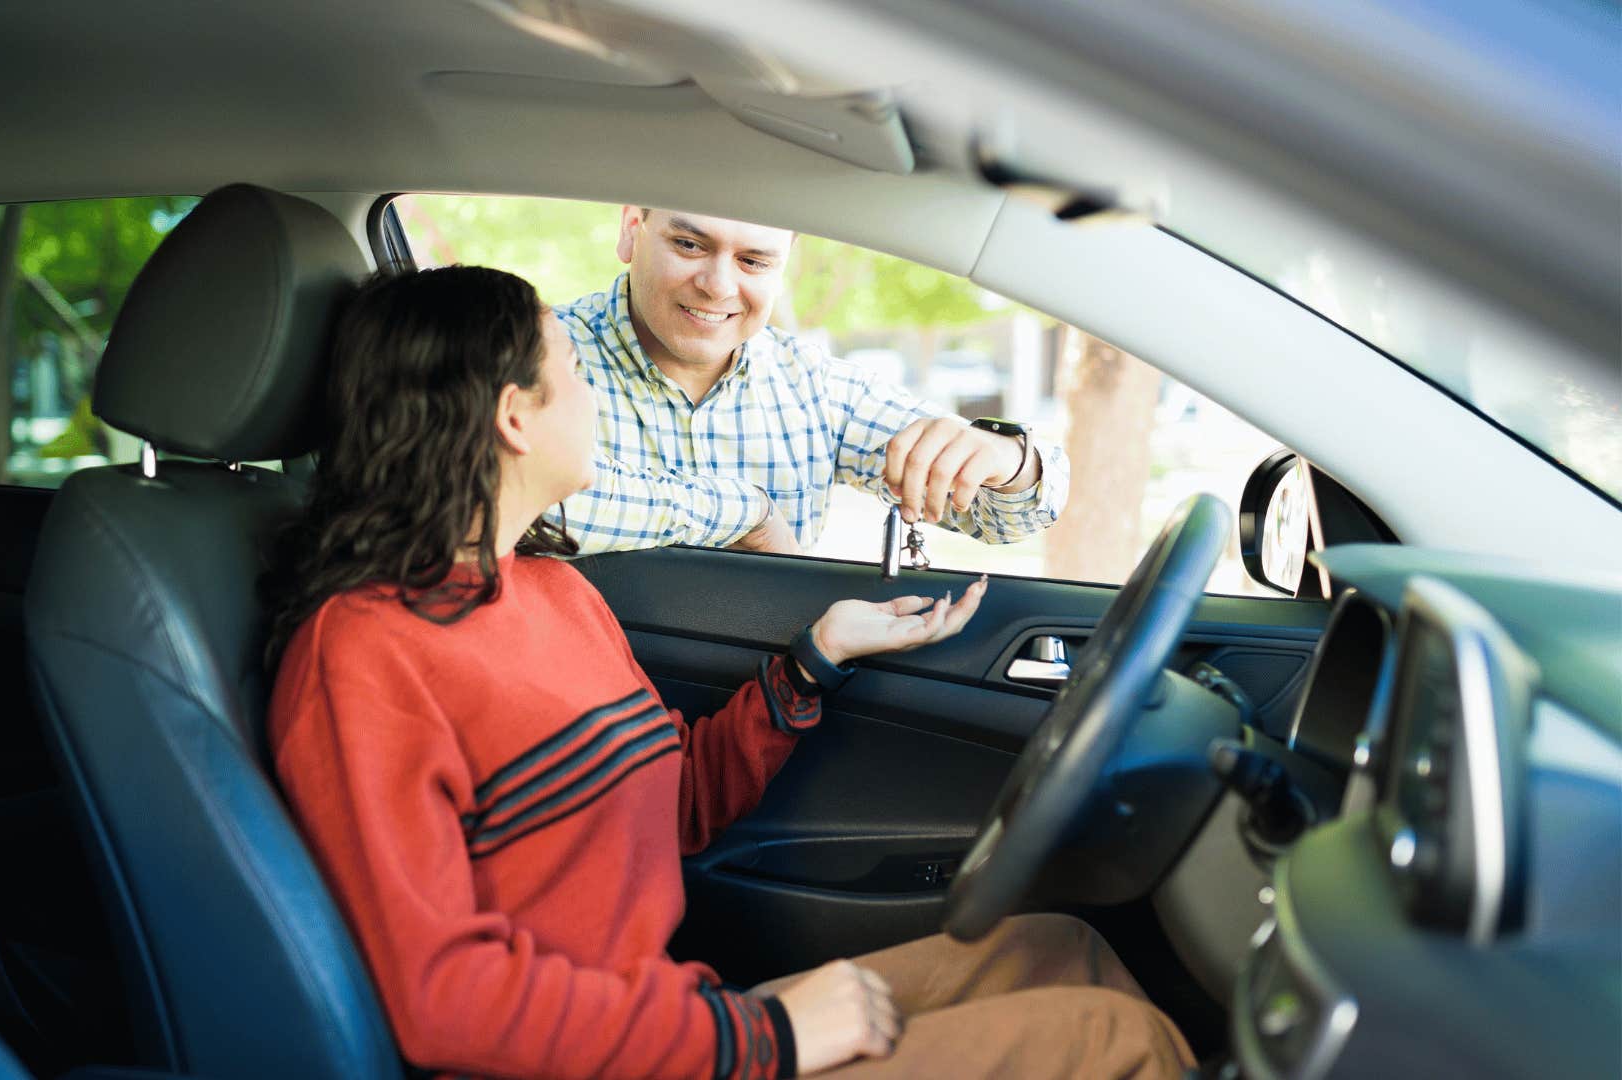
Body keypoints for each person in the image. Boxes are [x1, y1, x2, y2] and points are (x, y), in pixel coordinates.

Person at [264, 266, 1190, 1078]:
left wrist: (816, 659)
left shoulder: (554, 592)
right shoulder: (363, 656)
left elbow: (672, 810)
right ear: (514, 417)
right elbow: (442, 1000)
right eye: (577, 375)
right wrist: (766, 1037)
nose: (594, 393)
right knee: (1113, 1045)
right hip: (608, 1059)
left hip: (669, 1024)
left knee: (1056, 950)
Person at [552, 207, 1070, 556]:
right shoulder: (535, 355)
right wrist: (749, 513)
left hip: (767, 700)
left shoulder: (815, 388)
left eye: (753, 260)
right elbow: (514, 501)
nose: (717, 286)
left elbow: (1009, 520)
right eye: (688, 245)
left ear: (782, 267)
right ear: (630, 228)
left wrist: (1008, 461)